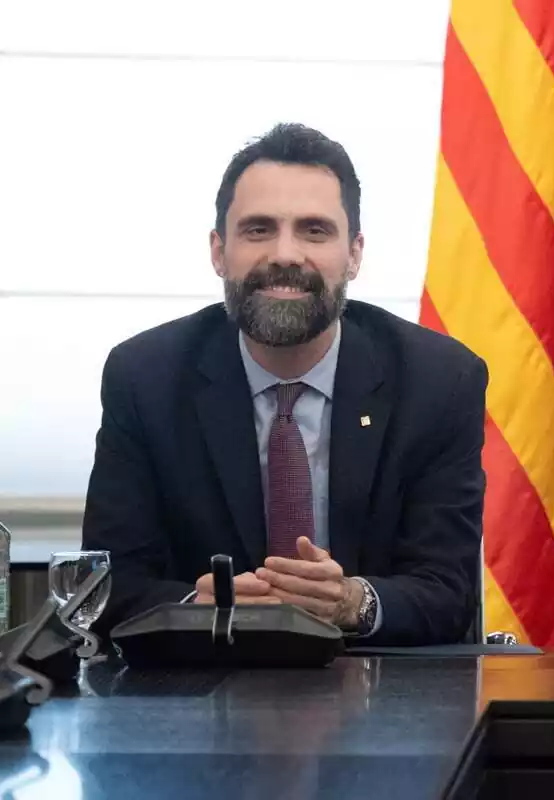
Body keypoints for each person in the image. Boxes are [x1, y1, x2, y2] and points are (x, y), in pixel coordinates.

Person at [82, 123, 488, 645]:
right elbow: (109, 584)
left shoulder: (439, 380)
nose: (286, 255)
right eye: (258, 230)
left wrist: (353, 602)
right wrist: (193, 608)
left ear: (355, 254)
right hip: (197, 692)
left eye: (315, 231)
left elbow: (448, 591)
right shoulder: (144, 377)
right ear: (218, 251)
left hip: (379, 693)